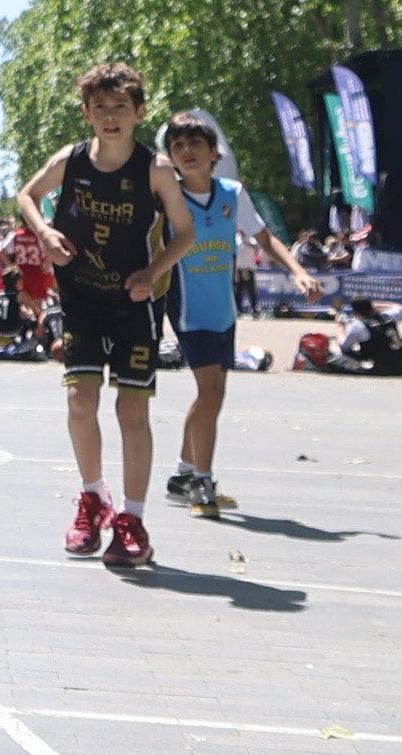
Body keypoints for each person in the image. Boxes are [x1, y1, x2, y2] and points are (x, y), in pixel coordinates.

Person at [17, 59, 191, 571]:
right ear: (87, 113)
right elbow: (27, 195)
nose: (109, 116)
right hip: (81, 303)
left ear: (138, 113)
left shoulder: (154, 169)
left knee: (130, 412)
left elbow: (185, 233)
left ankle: (132, 520)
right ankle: (94, 498)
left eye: (120, 107)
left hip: (134, 305)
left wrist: (153, 270)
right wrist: (44, 233)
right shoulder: (70, 161)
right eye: (100, 108)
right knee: (79, 402)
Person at [159, 112, 311, 513]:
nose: (186, 151)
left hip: (223, 308)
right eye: (177, 146)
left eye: (194, 144)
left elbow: (265, 238)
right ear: (170, 158)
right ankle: (201, 484)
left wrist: (297, 271)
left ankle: (182, 474)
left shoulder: (232, 193)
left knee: (211, 395)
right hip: (187, 306)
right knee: (211, 392)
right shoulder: (166, 196)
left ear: (213, 153)